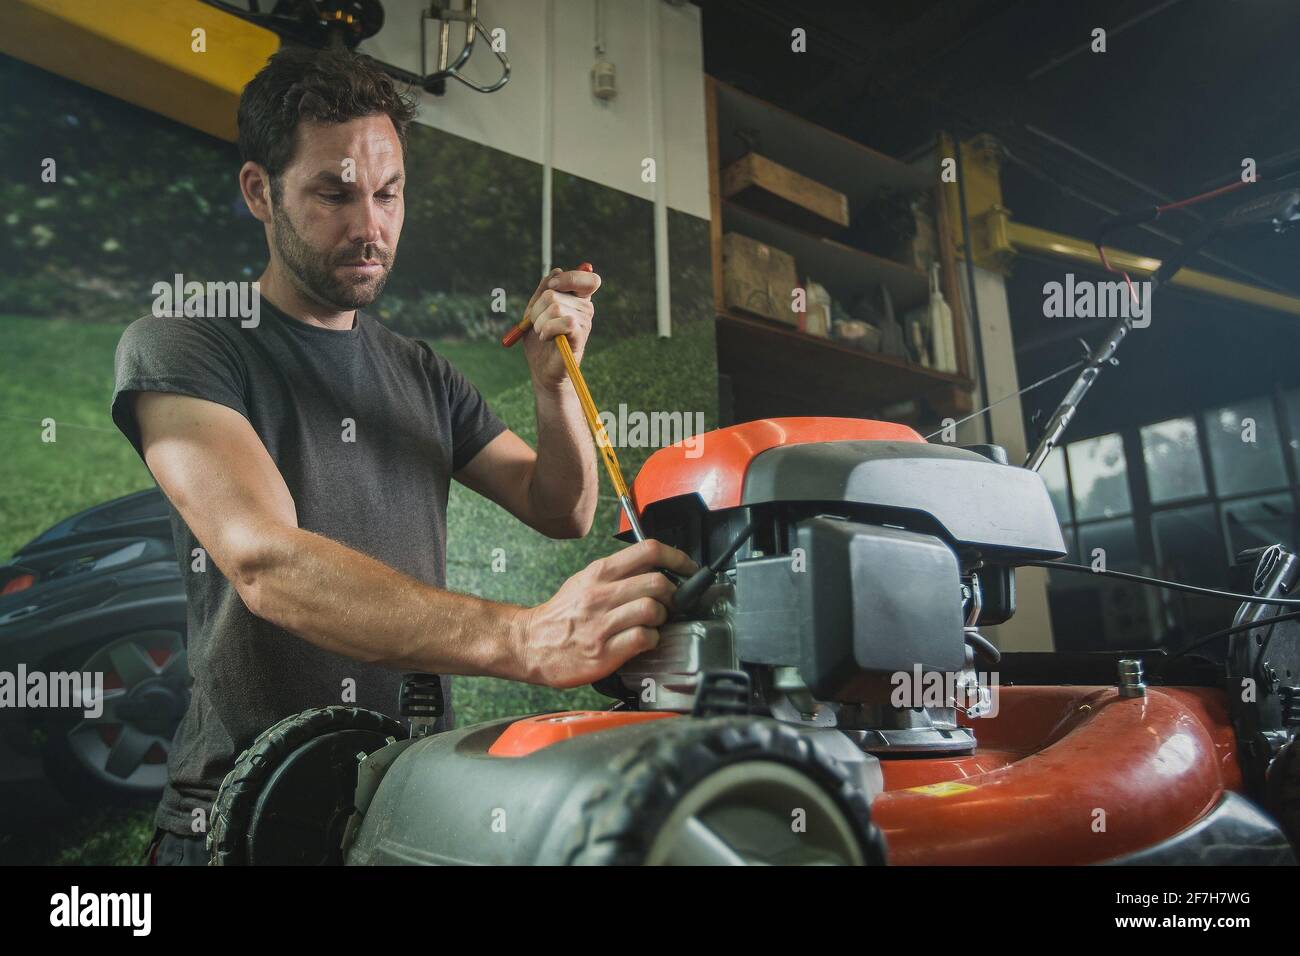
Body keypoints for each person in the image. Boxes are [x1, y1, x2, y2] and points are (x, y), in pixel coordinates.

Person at [112, 46, 694, 865]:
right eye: (334, 193)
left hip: (404, 807)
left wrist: (554, 387)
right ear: (259, 192)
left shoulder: (421, 371)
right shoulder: (184, 347)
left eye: (389, 194)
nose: (370, 226)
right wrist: (526, 638)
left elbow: (560, 509)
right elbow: (264, 562)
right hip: (242, 813)